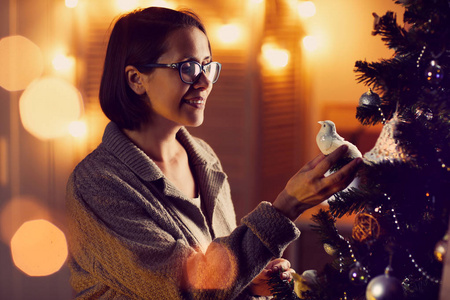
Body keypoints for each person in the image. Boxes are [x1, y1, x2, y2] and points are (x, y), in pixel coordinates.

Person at [65, 6, 362, 300]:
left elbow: (216, 276)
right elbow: (189, 290)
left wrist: (246, 280)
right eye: (188, 67)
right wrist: (286, 206)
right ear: (136, 79)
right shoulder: (97, 184)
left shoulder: (203, 157)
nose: (205, 81)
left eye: (207, 65)